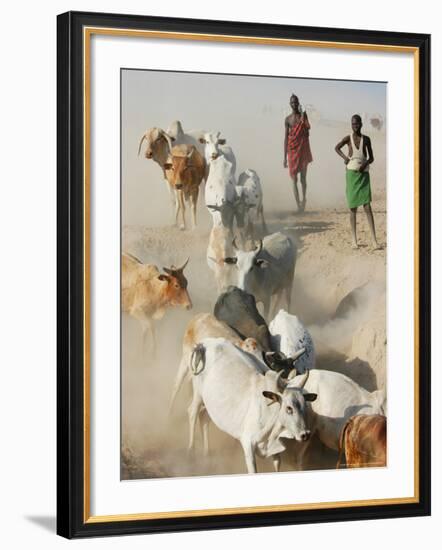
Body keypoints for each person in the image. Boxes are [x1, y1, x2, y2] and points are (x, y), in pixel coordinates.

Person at [335, 114, 380, 250]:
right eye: (353, 124)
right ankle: (354, 240)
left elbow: (371, 157)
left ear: (361, 124)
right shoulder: (347, 138)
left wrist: (364, 163)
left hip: (364, 174)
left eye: (357, 123)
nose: (355, 126)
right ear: (351, 124)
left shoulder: (366, 139)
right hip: (351, 175)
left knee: (367, 206)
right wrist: (345, 158)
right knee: (353, 208)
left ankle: (374, 240)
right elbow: (336, 148)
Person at [284, 94, 313, 212]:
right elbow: (286, 138)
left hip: (303, 150)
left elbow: (308, 129)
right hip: (292, 151)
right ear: (290, 104)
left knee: (303, 179)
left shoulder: (303, 115)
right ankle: (298, 205)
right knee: (294, 179)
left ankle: (304, 199)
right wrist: (284, 157)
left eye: (296, 102)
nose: (294, 104)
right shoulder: (287, 119)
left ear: (298, 103)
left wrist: (303, 116)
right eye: (292, 102)